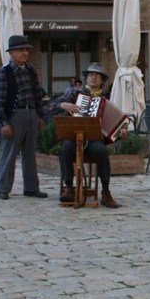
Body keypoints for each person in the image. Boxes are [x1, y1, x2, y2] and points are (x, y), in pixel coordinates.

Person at [54, 62, 126, 208]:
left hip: (94, 140)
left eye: (97, 75)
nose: (93, 77)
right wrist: (62, 105)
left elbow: (118, 125)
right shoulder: (75, 93)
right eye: (90, 75)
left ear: (102, 80)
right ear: (86, 78)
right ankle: (69, 188)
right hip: (74, 137)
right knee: (66, 148)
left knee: (101, 151)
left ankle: (106, 192)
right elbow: (49, 106)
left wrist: (121, 132)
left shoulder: (107, 97)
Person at [0, 35, 47, 200]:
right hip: (14, 115)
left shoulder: (31, 70)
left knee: (30, 153)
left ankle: (31, 188)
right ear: (11, 53)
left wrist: (39, 115)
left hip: (31, 113)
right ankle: (3, 188)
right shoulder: (4, 72)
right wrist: (3, 122)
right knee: (9, 153)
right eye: (20, 50)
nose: (24, 53)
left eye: (26, 50)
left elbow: (37, 95)